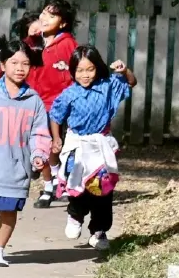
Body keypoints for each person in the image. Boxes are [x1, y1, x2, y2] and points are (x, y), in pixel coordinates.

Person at [0, 38, 51, 267]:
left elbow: (39, 133)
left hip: (16, 170)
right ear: (3, 65)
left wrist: (38, 154)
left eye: (25, 64)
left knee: (9, 211)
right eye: (14, 63)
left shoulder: (34, 101)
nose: (20, 68)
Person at [49, 45, 138, 251]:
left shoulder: (108, 86)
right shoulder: (69, 94)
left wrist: (124, 71)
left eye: (90, 69)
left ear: (97, 68)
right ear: (72, 71)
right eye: (80, 70)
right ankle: (75, 215)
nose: (85, 75)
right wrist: (56, 138)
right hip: (77, 146)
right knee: (78, 187)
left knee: (102, 188)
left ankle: (99, 230)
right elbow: (55, 116)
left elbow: (131, 83)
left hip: (100, 145)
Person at [30, 0, 79, 208]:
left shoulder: (68, 44)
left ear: (63, 23)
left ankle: (59, 183)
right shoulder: (33, 42)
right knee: (40, 147)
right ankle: (50, 184)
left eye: (52, 16)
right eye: (43, 13)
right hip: (34, 103)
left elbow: (79, 71)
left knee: (54, 147)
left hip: (58, 106)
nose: (45, 18)